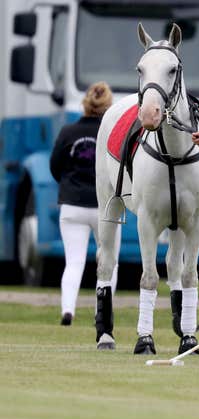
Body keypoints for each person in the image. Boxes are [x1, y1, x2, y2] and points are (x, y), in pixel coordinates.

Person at [50, 82, 120, 326]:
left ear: (85, 103)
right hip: (106, 207)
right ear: (109, 106)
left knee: (74, 261)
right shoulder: (112, 133)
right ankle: (103, 312)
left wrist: (70, 186)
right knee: (109, 261)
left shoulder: (68, 132)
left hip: (72, 204)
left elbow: (55, 166)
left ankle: (67, 310)